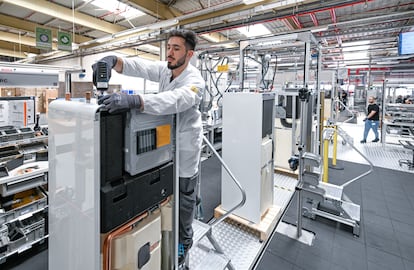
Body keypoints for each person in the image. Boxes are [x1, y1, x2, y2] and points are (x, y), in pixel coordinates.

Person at [92, 29, 205, 266]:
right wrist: (113, 60)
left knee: (184, 202)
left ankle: (184, 243)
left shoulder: (195, 81)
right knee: (167, 200)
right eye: (169, 47)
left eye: (176, 48)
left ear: (190, 54)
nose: (170, 53)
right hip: (165, 147)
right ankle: (165, 243)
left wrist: (137, 100)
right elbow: (141, 66)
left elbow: (177, 100)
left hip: (185, 152)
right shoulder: (167, 70)